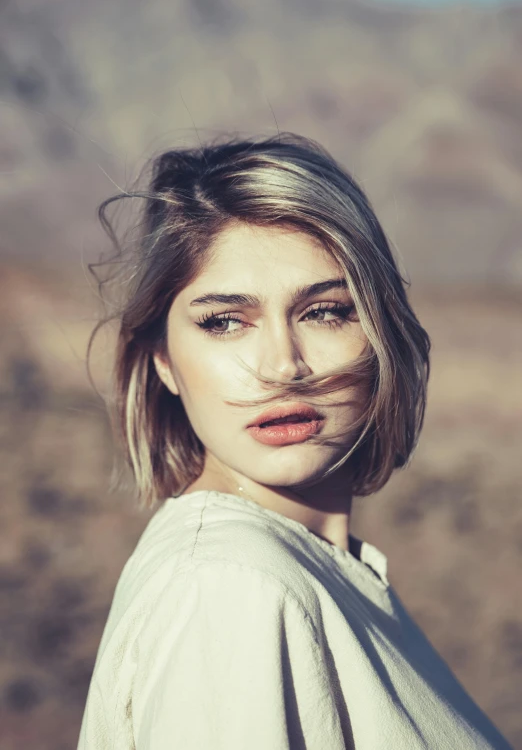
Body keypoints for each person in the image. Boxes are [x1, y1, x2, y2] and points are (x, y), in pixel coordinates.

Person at [77, 133, 512, 749]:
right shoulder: (233, 584)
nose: (283, 366)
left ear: (381, 330)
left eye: (325, 311)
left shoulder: (303, 570)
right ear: (163, 362)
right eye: (224, 322)